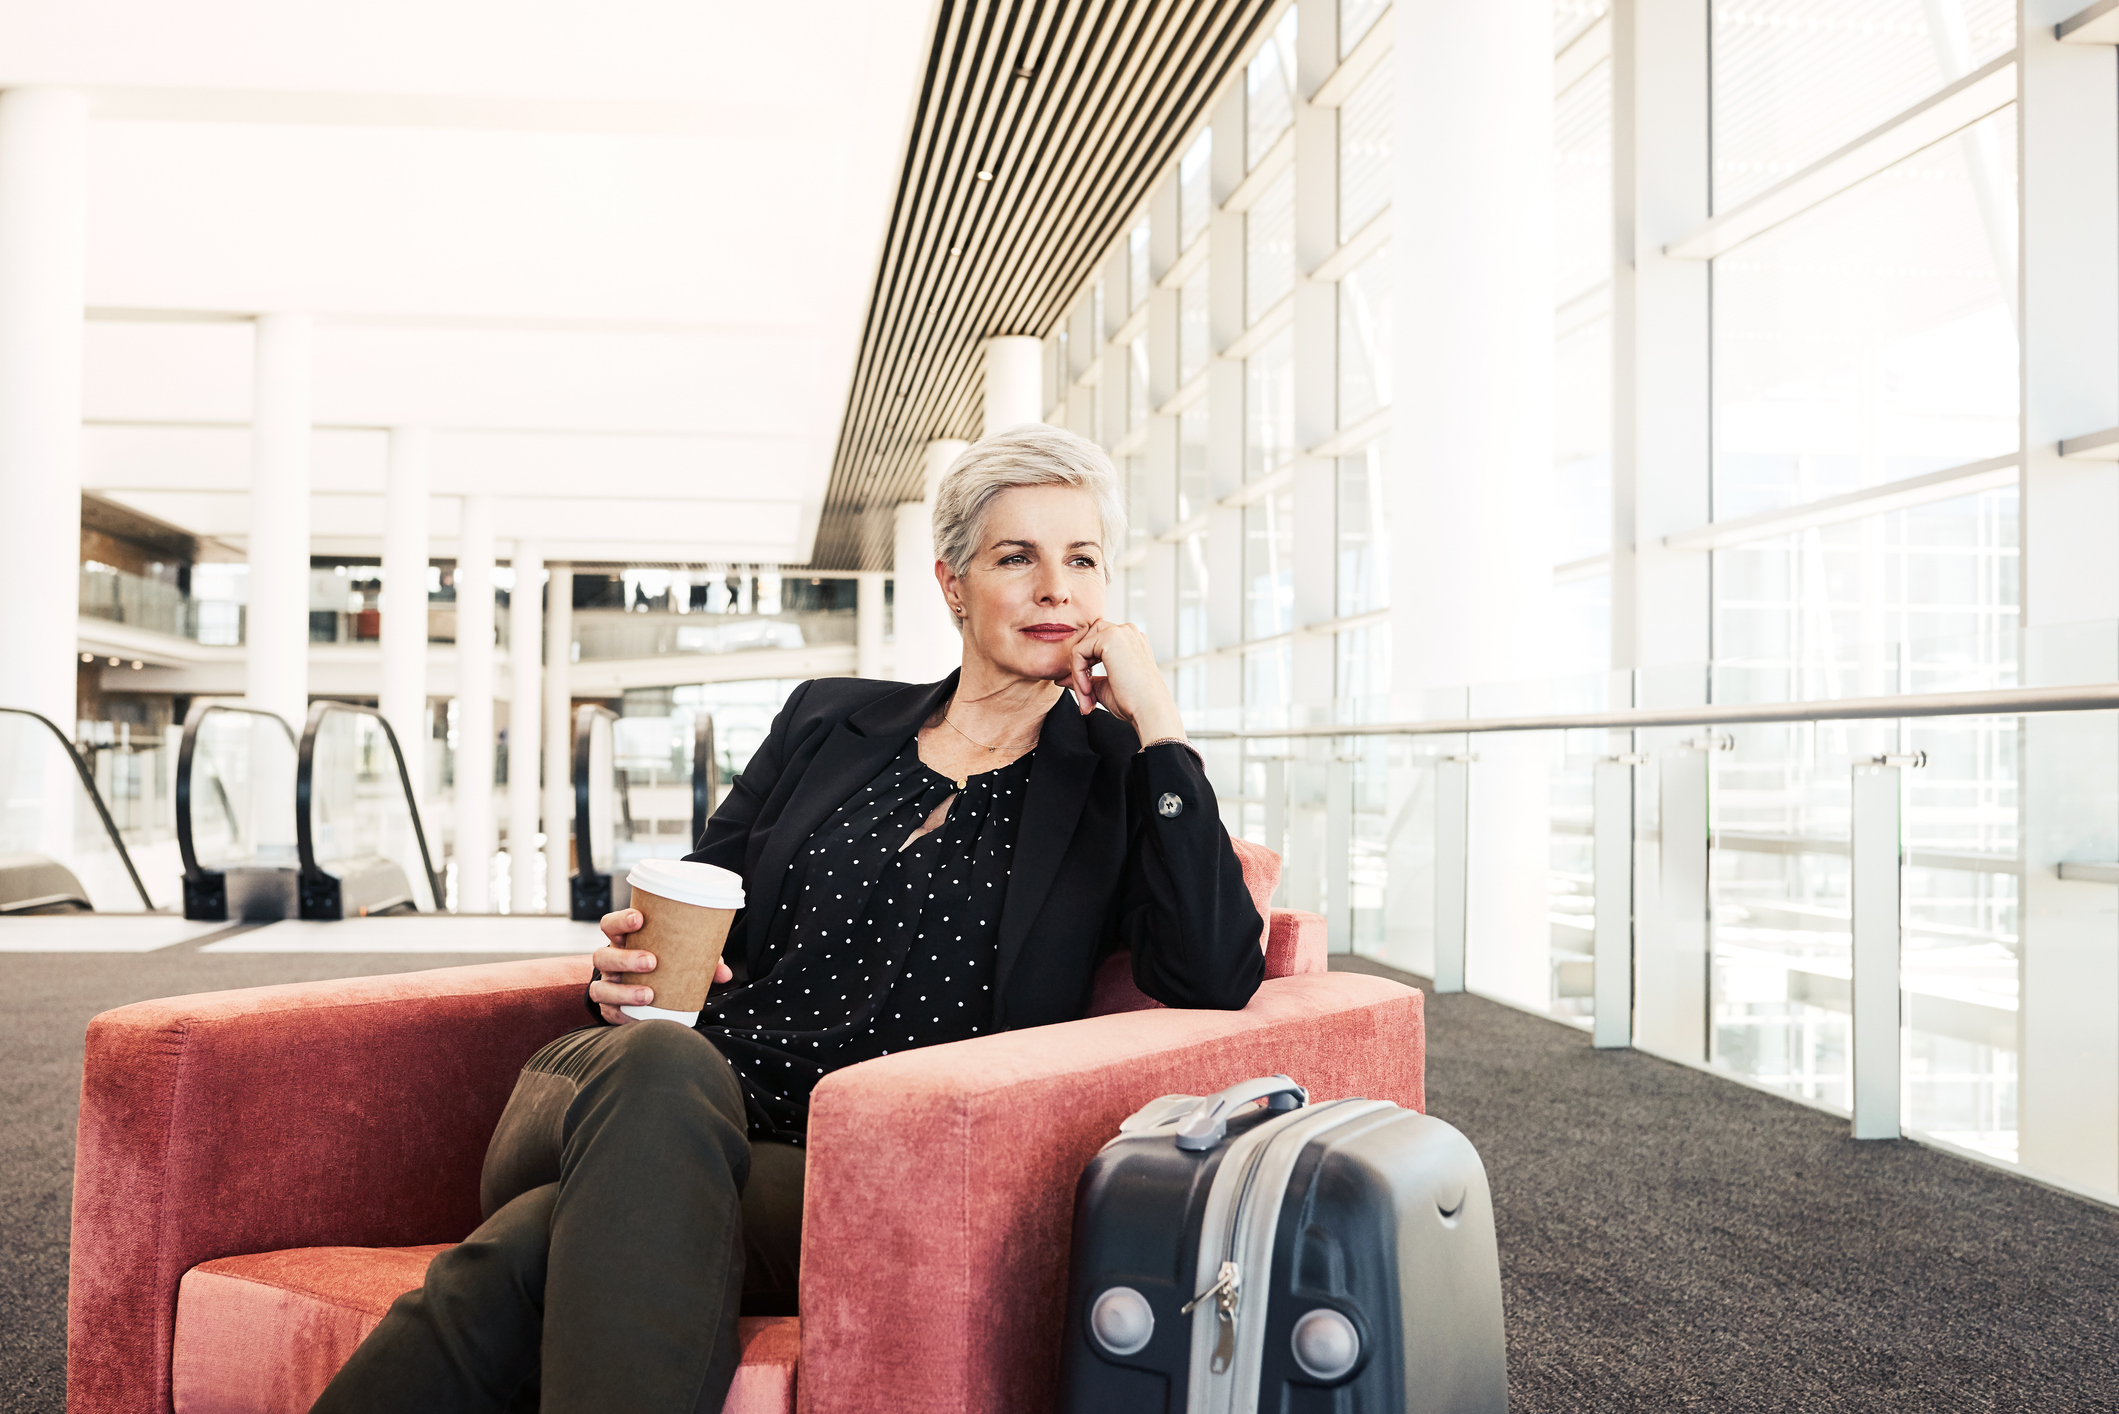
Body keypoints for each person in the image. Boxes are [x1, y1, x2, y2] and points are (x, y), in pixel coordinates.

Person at [312, 424, 1264, 1413]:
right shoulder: (828, 719)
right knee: (663, 1066)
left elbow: (1214, 969)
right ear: (951, 583)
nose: (1054, 588)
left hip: (822, 1167)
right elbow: (691, 908)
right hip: (628, 1085)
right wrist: (627, 969)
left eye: (1081, 560)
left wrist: (1159, 724)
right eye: (1015, 556)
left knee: (532, 1248)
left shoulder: (1121, 783)